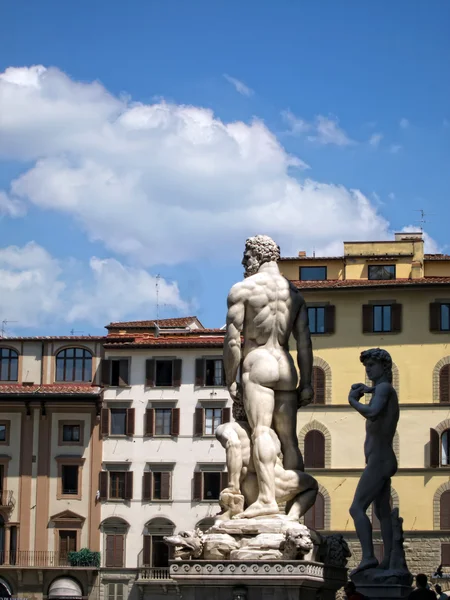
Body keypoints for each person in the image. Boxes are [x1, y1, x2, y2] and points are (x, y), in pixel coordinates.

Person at [224, 235, 313, 518]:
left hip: (259, 362)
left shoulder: (243, 289)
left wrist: (230, 378)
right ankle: (292, 505)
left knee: (261, 430)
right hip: (286, 364)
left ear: (257, 256)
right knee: (289, 441)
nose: (243, 261)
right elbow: (305, 342)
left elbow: (232, 342)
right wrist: (308, 382)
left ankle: (266, 500)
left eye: (246, 255)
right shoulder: (295, 295)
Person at [348, 348, 399, 574]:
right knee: (382, 512)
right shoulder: (381, 389)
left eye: (371, 365)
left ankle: (368, 557)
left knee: (356, 507)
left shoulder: (385, 389)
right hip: (381, 458)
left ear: (384, 367)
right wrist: (368, 390)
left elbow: (373, 412)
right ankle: (389, 559)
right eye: (366, 365)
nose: (368, 369)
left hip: (379, 460)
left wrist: (353, 401)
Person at [215, 420, 318, 520]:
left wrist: (233, 487)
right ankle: (292, 517)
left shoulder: (226, 427)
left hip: (249, 490)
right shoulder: (270, 433)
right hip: (278, 485)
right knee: (312, 485)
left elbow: (233, 444)